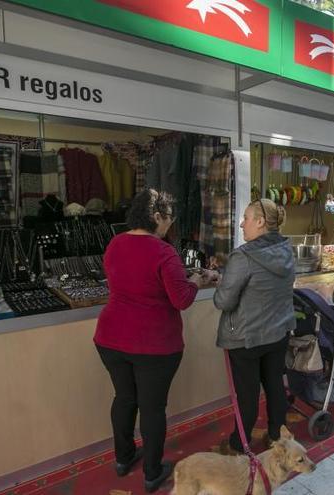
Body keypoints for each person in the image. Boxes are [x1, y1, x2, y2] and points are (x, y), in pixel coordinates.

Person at [93, 189, 210, 491]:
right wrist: (197, 279)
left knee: (124, 398)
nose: (170, 224)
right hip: (154, 345)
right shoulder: (162, 252)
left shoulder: (116, 243)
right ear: (156, 216)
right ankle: (152, 472)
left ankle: (123, 458)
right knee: (152, 408)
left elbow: (127, 282)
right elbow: (181, 299)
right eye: (169, 218)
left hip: (111, 338)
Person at [214, 198, 295, 455]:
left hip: (247, 337)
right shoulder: (286, 250)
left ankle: (240, 443)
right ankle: (276, 436)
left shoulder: (244, 255)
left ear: (260, 222)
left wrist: (221, 283)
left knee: (246, 394)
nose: (241, 224)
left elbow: (223, 301)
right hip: (278, 332)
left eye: (246, 218)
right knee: (274, 386)